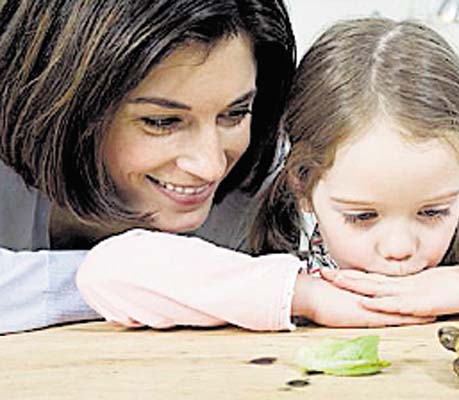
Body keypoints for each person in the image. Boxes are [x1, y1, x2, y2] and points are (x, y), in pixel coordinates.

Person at [77, 18, 459, 332]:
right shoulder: (285, 272)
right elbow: (107, 273)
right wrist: (304, 298)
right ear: (303, 186)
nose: (400, 247)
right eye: (363, 216)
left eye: (433, 211)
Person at [0, 0, 296, 334]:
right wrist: (169, 283)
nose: (210, 166)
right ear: (63, 108)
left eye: (235, 113)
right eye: (162, 122)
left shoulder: (267, 178)